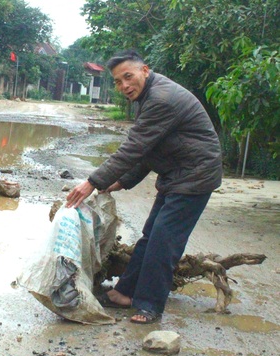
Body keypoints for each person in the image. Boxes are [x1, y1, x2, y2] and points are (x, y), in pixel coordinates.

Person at [65, 50, 222, 324]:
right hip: (177, 175)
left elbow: (134, 147)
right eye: (117, 81)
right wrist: (121, 181)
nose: (124, 86)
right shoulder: (149, 95)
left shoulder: (161, 99)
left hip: (195, 176)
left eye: (128, 77)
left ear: (145, 71)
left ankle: (149, 305)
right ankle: (125, 292)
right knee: (151, 235)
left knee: (164, 241)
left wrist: (92, 182)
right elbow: (148, 149)